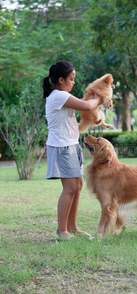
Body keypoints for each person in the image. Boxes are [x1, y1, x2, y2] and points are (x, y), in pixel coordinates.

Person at [43, 60, 100, 240]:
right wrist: (103, 95)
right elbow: (88, 105)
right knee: (70, 188)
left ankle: (73, 228)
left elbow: (86, 106)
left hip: (71, 144)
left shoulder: (62, 96)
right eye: (71, 78)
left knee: (78, 186)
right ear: (61, 80)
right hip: (61, 146)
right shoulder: (57, 96)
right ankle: (62, 231)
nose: (73, 82)